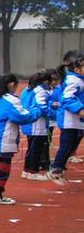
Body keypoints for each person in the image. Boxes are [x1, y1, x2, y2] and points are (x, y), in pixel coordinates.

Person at [0, 74, 35, 205]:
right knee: (2, 168)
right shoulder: (10, 100)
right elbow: (22, 117)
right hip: (3, 138)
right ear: (11, 84)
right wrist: (37, 111)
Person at [49, 57, 84, 185]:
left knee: (72, 145)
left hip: (77, 120)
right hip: (69, 119)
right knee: (67, 145)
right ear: (77, 69)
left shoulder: (79, 80)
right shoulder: (73, 81)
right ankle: (55, 169)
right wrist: (80, 110)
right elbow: (67, 98)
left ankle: (60, 168)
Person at [21, 69, 56, 181]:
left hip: (30, 123)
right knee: (36, 148)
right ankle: (33, 171)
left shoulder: (27, 90)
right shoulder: (39, 91)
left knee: (31, 148)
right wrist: (53, 114)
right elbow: (42, 107)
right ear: (45, 82)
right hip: (37, 124)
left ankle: (26, 170)